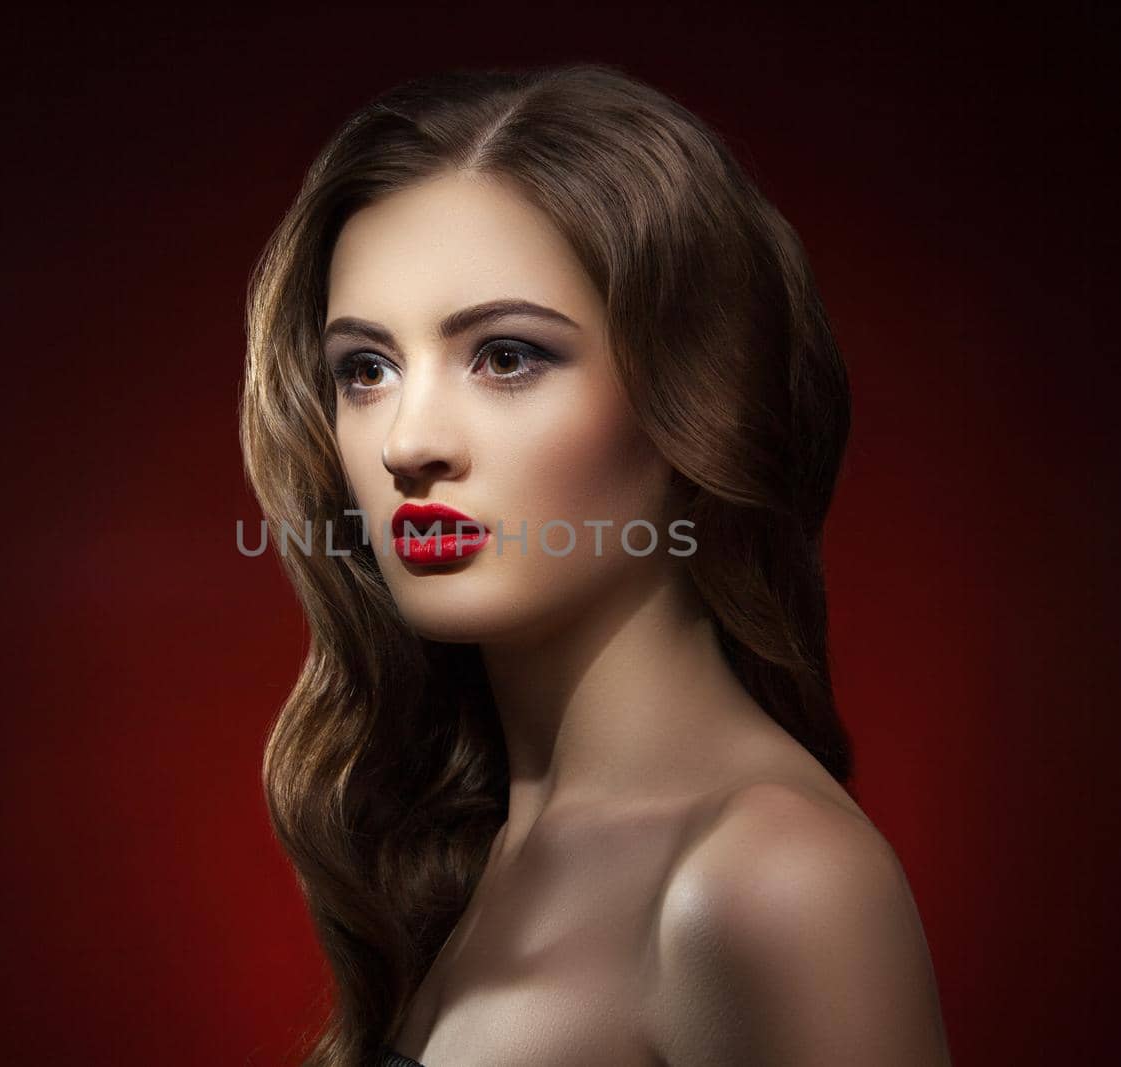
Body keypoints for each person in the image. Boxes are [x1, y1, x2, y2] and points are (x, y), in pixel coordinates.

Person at [239, 62, 952, 1066]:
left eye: (507, 355)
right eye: (365, 368)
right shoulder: (467, 842)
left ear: (699, 396)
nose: (407, 440)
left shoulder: (769, 880)